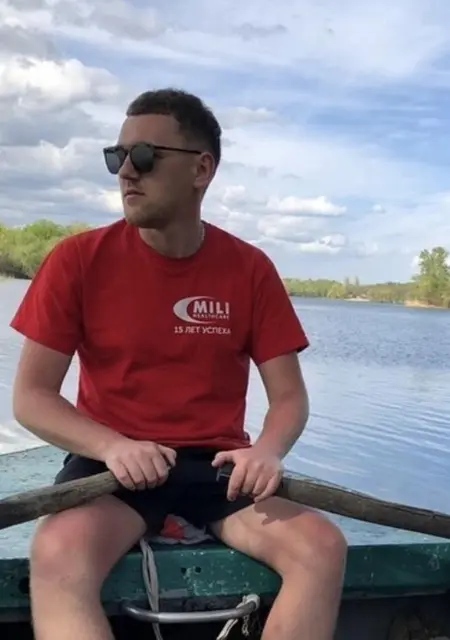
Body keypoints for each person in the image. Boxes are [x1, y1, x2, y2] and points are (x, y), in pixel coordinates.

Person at [10, 88, 347, 640]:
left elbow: (289, 397)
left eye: (145, 156)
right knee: (57, 553)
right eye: (117, 157)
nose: (126, 172)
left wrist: (266, 451)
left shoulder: (250, 269)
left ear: (201, 169)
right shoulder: (77, 260)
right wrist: (112, 447)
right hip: (114, 470)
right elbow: (32, 397)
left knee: (322, 547)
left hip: (219, 471)